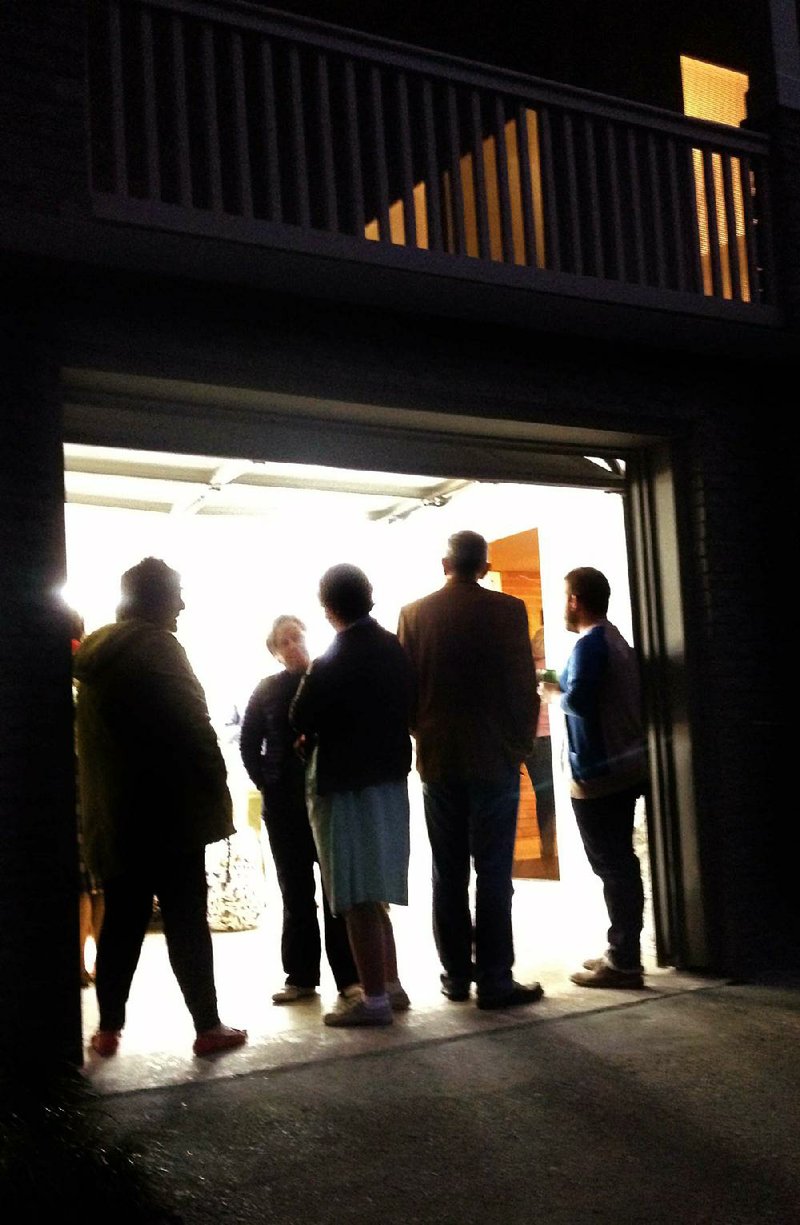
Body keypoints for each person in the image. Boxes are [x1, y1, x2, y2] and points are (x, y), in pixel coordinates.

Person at [73, 557, 247, 1057]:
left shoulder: (95, 655)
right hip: (171, 814)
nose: (182, 605)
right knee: (187, 922)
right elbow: (193, 724)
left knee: (122, 923)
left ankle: (107, 1030)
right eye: (176, 594)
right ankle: (208, 1026)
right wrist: (217, 789)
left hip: (118, 817)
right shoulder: (159, 647)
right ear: (153, 599)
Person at [397, 530, 543, 1010]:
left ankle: (456, 975)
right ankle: (496, 979)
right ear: (484, 567)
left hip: (439, 760)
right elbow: (524, 686)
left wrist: (423, 735)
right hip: (493, 758)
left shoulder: (414, 614)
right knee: (494, 872)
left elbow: (407, 692)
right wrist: (517, 747)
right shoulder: (507, 611)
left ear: (445, 564)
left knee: (448, 870)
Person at [290, 564, 413, 1027]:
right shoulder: (393, 649)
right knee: (376, 891)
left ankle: (375, 999)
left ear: (328, 608)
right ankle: (393, 985)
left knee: (356, 894)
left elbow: (299, 715)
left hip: (345, 786)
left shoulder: (331, 660)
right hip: (391, 780)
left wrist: (311, 735)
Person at [239, 614, 360, 1005]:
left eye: (298, 637)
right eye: (285, 642)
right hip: (284, 807)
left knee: (336, 892)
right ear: (275, 652)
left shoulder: (326, 680)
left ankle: (349, 977)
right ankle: (301, 977)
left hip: (327, 799)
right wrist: (267, 780)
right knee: (295, 892)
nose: (294, 646)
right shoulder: (266, 689)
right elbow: (248, 743)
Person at [539, 566, 648, 989]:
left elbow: (581, 703)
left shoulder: (590, 646)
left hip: (600, 773)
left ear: (574, 600)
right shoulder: (614, 639)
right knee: (620, 862)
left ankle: (623, 960)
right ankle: (622, 951)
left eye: (564, 596)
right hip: (624, 766)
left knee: (613, 865)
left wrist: (551, 695)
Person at [67, 605, 105, 988]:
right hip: (95, 788)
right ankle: (102, 962)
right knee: (96, 884)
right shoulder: (90, 677)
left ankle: (79, 966)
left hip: (74, 790)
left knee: (81, 887)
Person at [525, 620, 557, 862]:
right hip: (546, 737)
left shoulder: (525, 669)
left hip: (531, 739)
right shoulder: (551, 667)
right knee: (549, 796)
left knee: (544, 796)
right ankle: (549, 850)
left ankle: (547, 850)